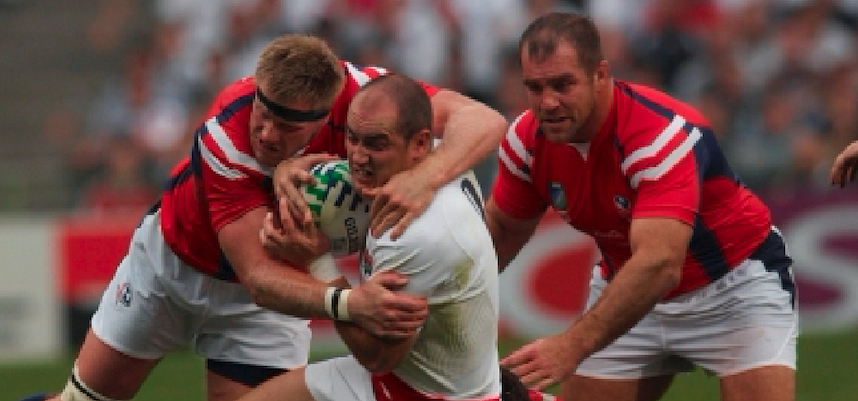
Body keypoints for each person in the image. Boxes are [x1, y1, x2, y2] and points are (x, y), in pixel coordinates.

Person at [24, 34, 507, 401]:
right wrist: (347, 302)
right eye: (264, 111)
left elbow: (484, 120)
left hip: (261, 307)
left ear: (326, 116)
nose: (268, 134)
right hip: (171, 267)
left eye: (289, 124)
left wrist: (425, 178)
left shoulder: (360, 97)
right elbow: (257, 273)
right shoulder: (225, 137)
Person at [487, 12, 797, 401]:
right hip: (630, 289)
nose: (548, 102)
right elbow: (499, 234)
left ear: (601, 74)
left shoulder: (659, 135)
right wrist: (432, 306)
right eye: (535, 88)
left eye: (563, 84)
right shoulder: (526, 141)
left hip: (734, 287)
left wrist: (572, 344)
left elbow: (660, 263)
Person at [239, 72, 530, 401]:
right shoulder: (437, 155)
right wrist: (285, 167)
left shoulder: (414, 233)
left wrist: (316, 260)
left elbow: (377, 356)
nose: (358, 158)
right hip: (415, 373)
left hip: (423, 392)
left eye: (376, 143)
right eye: (352, 138)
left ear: (418, 143)